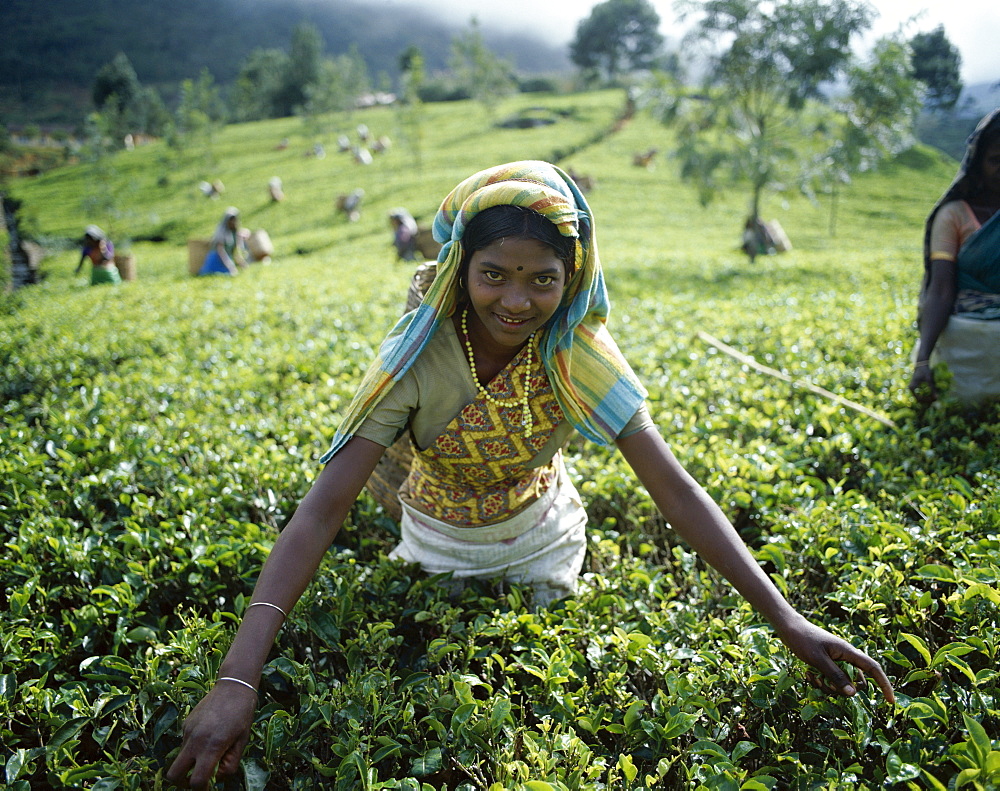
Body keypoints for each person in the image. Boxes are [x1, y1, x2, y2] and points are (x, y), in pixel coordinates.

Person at [166, 161, 894, 789]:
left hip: (543, 538)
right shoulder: (418, 355)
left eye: (541, 279)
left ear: (570, 276)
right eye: (494, 275)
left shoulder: (578, 350)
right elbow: (320, 512)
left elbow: (673, 487)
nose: (516, 301)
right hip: (436, 541)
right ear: (461, 267)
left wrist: (785, 617)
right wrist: (237, 677)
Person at [909, 108, 1000, 402]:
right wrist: (922, 361)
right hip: (968, 342)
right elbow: (940, 289)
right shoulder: (954, 215)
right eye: (996, 160)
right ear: (978, 163)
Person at [198, 207, 246, 276]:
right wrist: (230, 266)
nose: (232, 222)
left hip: (228, 257)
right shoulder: (221, 232)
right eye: (231, 220)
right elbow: (221, 251)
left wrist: (241, 262)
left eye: (234, 220)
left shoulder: (235, 233)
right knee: (227, 274)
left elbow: (235, 251)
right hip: (217, 259)